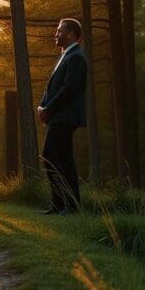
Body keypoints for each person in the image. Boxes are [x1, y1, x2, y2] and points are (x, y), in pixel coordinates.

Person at [37, 18, 87, 215]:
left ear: (72, 34)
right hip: (59, 115)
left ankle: (65, 204)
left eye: (59, 31)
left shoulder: (76, 57)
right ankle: (67, 205)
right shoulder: (66, 56)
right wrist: (42, 105)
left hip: (66, 116)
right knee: (65, 159)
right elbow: (53, 86)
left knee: (50, 155)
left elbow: (68, 89)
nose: (55, 35)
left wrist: (48, 109)